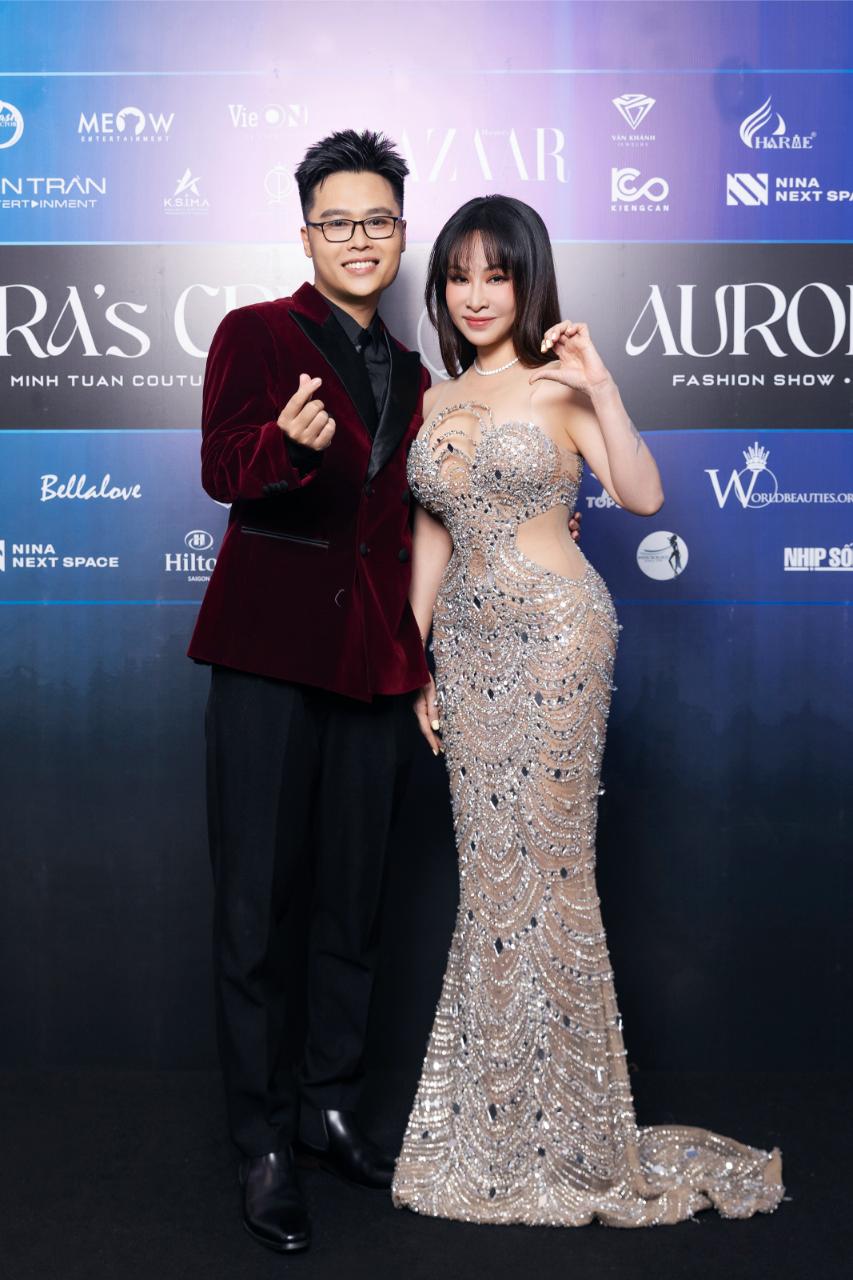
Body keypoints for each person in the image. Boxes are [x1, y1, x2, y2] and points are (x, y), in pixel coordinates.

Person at [391, 195, 785, 1227]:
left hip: (560, 638)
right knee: (490, 883)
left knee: (552, 878)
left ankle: (577, 1137)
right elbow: (432, 535)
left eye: (497, 274)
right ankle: (495, 1136)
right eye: (458, 276)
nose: (475, 295)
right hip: (465, 653)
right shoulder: (434, 399)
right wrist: (413, 660)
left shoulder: (561, 383)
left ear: (529, 281)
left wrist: (602, 384)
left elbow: (642, 495)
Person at [188, 130, 433, 1254]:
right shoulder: (256, 332)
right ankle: (264, 1141)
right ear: (306, 236)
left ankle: (332, 1107)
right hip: (268, 661)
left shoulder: (417, 375)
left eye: (377, 220)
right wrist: (283, 451)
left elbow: (415, 522)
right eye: (338, 222)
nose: (359, 238)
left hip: (374, 666)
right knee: (255, 913)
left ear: (399, 231)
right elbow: (221, 468)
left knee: (353, 904)